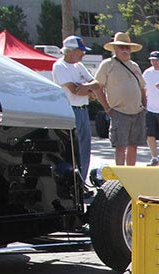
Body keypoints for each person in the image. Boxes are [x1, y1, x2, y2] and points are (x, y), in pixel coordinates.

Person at [51, 35, 101, 182]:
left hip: (83, 110)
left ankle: (82, 181)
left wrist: (86, 87)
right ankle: (74, 181)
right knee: (73, 149)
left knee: (85, 148)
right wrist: (89, 90)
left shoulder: (79, 66)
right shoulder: (60, 66)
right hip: (70, 110)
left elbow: (96, 84)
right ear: (69, 51)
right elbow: (74, 90)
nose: (83, 54)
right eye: (80, 51)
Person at [95, 32, 147, 167]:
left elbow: (142, 87)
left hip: (137, 112)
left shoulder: (134, 65)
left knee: (133, 146)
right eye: (121, 47)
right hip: (119, 112)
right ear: (115, 49)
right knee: (120, 147)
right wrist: (107, 108)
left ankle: (131, 174)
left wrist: (144, 106)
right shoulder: (107, 65)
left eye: (127, 47)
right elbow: (98, 88)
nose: (125, 50)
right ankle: (120, 176)